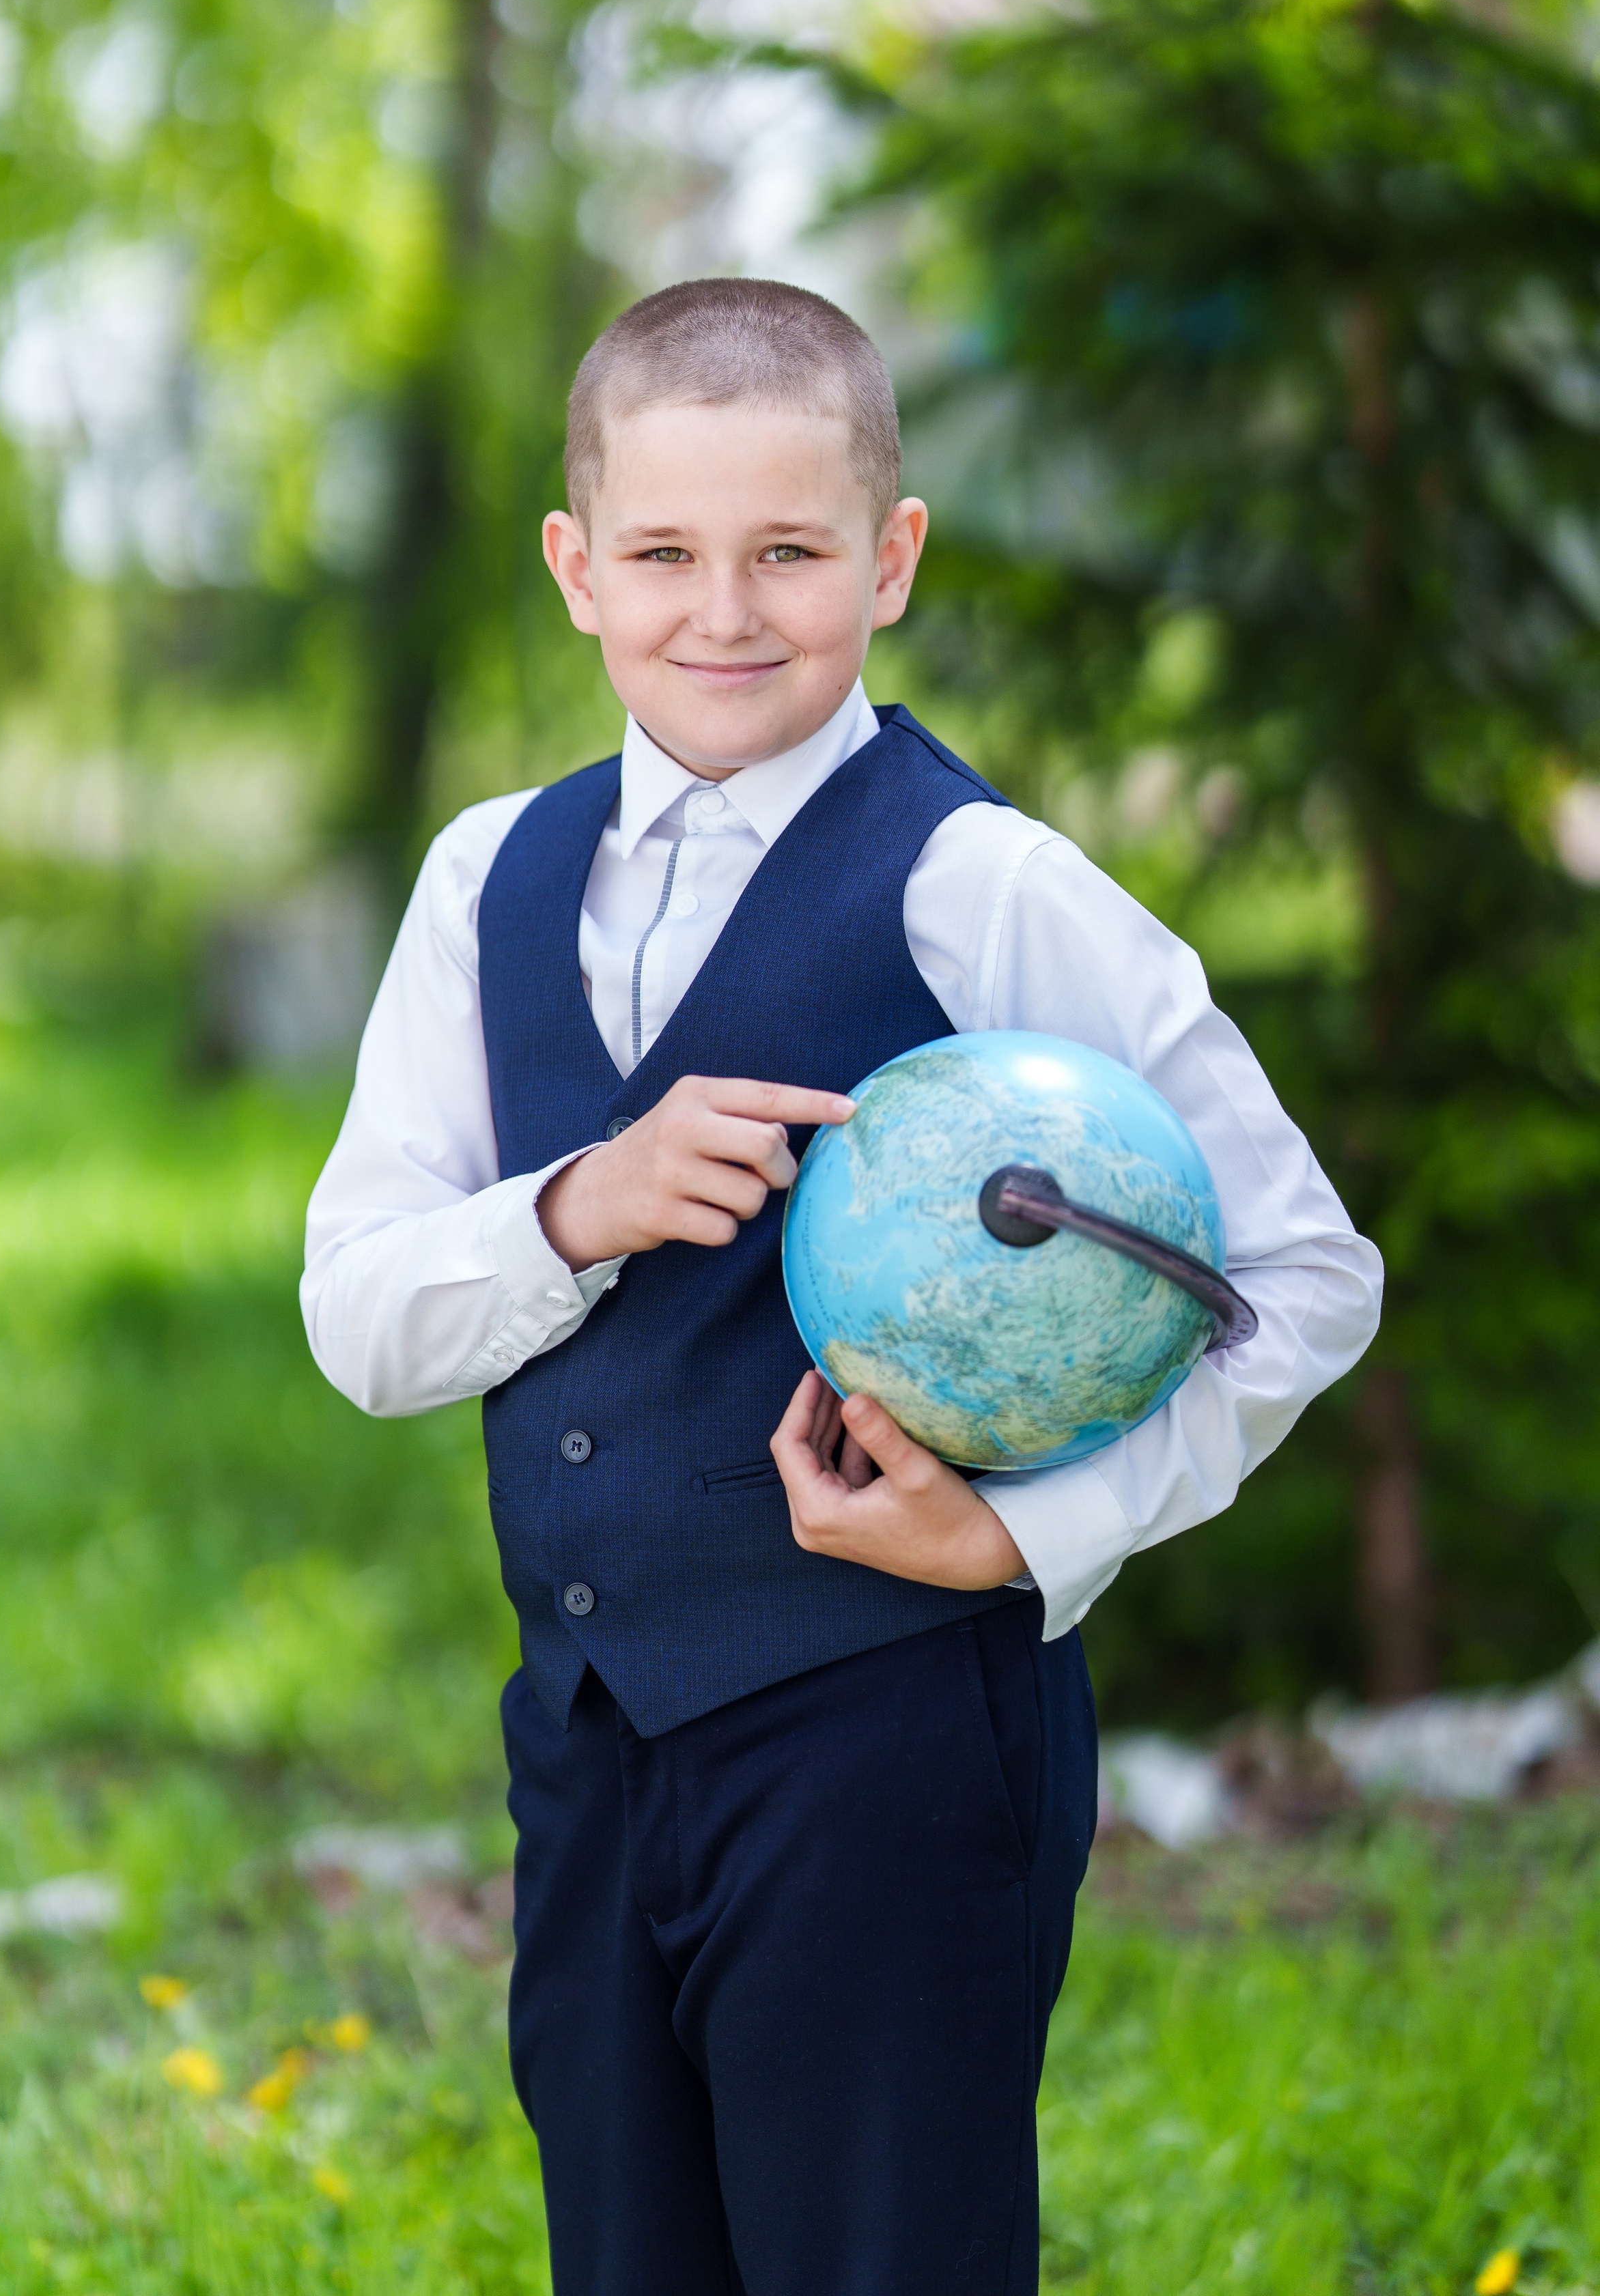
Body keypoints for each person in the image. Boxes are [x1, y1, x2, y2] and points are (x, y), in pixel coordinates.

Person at [302, 277, 1384, 2296]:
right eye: (664, 555)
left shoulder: (983, 885)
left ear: (890, 559)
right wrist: (576, 1208)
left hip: (892, 1744)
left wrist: (1028, 1536)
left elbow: (1304, 1273)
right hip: (590, 1743)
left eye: (789, 552)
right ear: (575, 568)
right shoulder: (485, 882)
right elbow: (358, 1315)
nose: (725, 610)